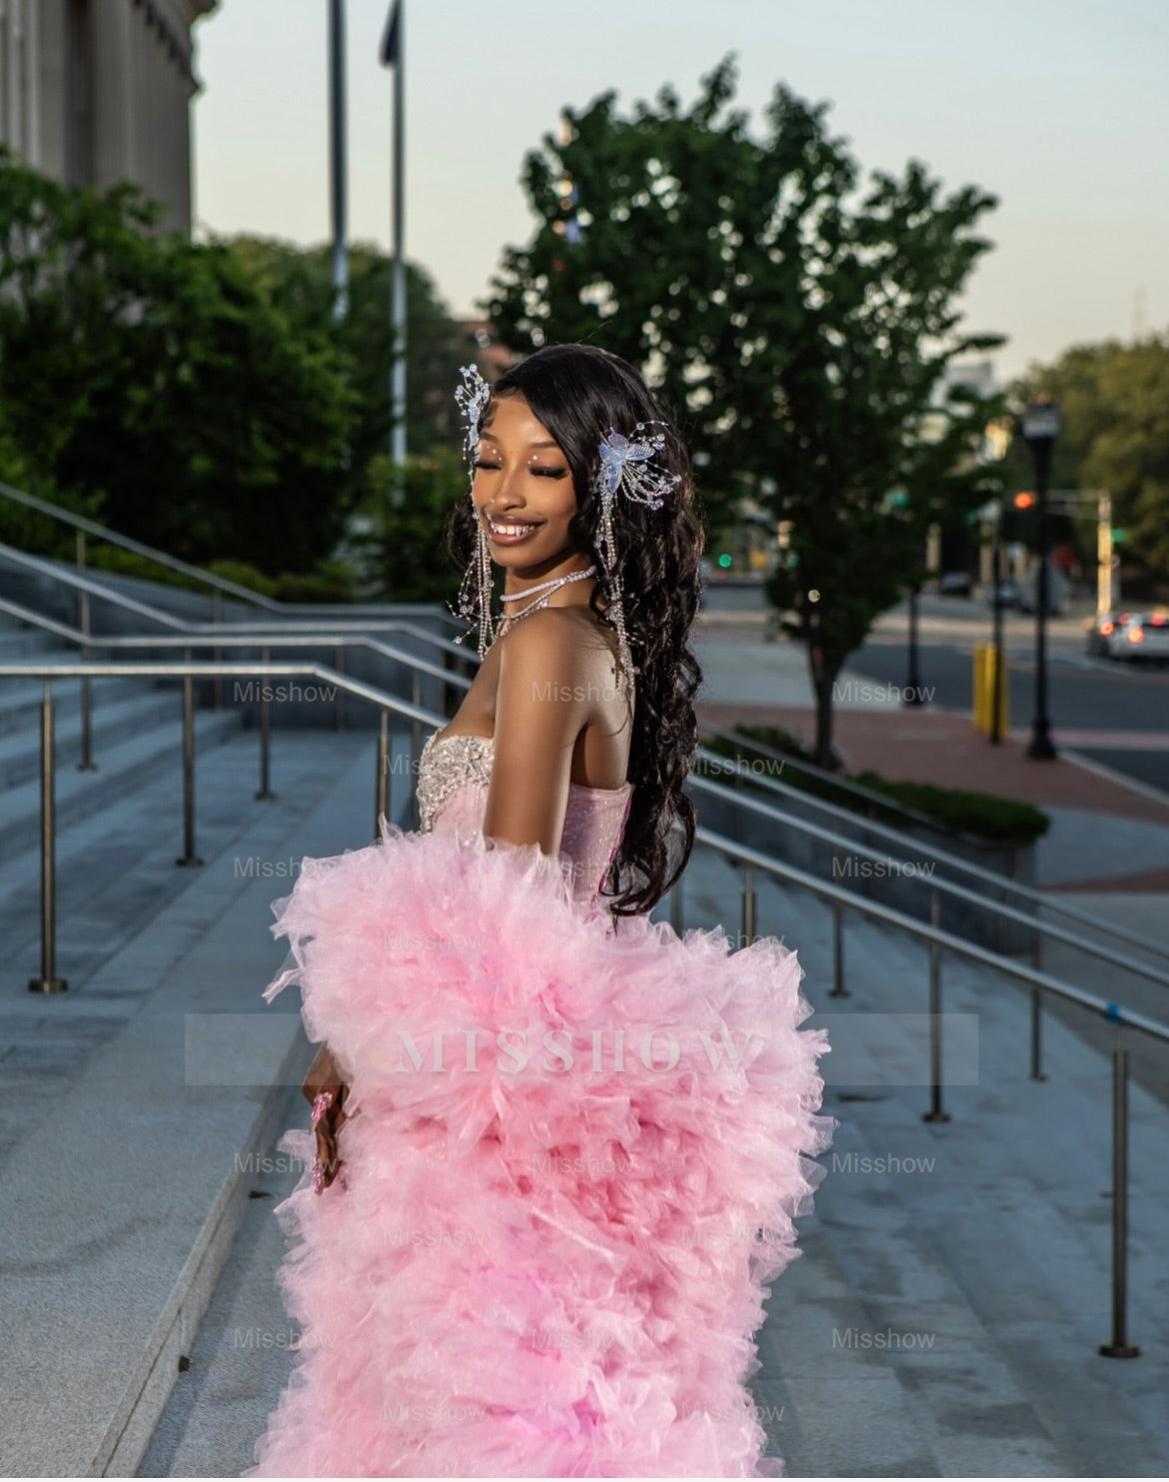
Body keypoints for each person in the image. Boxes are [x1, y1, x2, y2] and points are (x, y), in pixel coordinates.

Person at [245, 344, 835, 1478]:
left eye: (543, 470)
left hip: (491, 1087)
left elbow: (499, 896)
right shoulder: (562, 633)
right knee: (507, 1397)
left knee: (485, 1407)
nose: (502, 494)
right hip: (521, 1064)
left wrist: (352, 1049)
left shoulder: (548, 645)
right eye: (486, 461)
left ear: (598, 490)